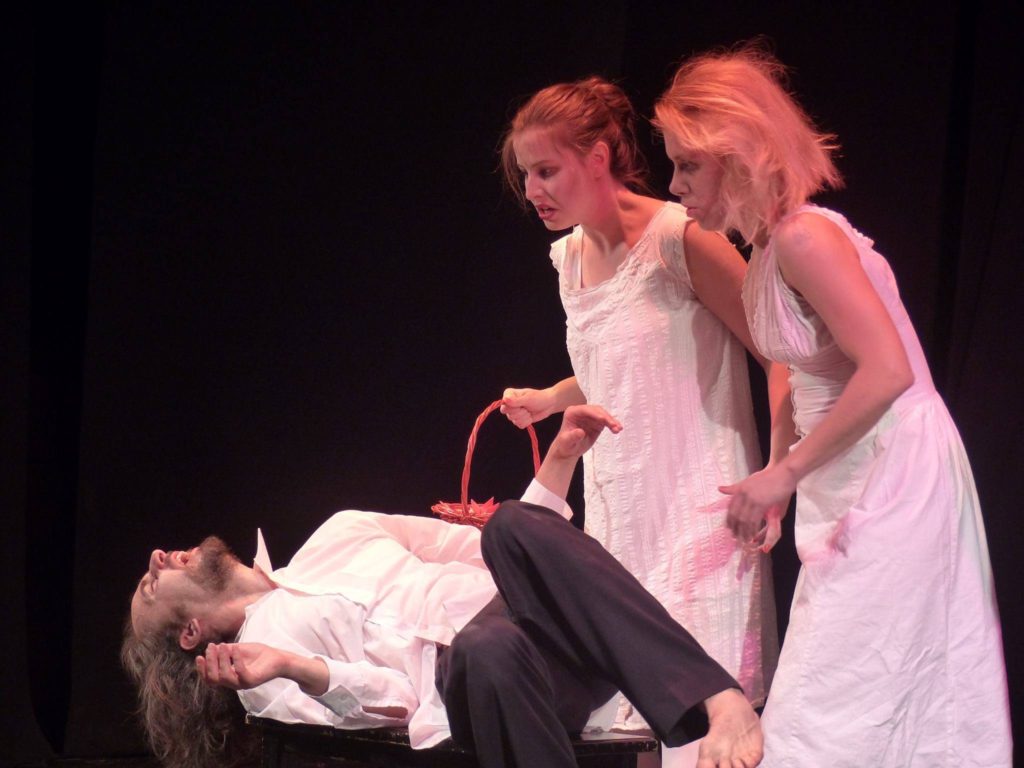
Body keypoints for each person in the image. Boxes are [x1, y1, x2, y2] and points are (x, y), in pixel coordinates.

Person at [653, 42, 1012, 767]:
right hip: (842, 473)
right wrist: (782, 475)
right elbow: (795, 373)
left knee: (851, 693)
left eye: (689, 165)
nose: (675, 184)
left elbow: (888, 371)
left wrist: (785, 473)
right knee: (849, 694)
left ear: (738, 157)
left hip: (893, 472)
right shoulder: (766, 250)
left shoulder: (805, 237)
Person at [121, 405, 764, 768]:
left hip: (554, 633)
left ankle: (717, 698)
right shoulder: (262, 671)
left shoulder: (338, 530)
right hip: (482, 683)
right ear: (190, 632)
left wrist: (561, 457)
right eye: (151, 585)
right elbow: (398, 702)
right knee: (483, 647)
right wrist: (294, 666)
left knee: (509, 524)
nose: (156, 558)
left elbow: (504, 552)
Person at [498, 77, 788, 735]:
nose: (533, 190)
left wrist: (779, 471)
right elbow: (617, 366)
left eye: (547, 170)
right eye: (526, 174)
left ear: (598, 157)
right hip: (620, 516)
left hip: (697, 508)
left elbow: (781, 352)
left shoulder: (680, 237)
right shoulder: (568, 256)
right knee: (630, 724)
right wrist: (550, 399)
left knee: (706, 719)